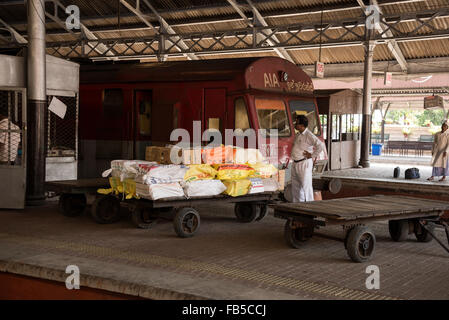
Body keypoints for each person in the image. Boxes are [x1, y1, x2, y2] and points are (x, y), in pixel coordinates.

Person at [291, 115, 325, 202]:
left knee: (306, 186)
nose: (295, 125)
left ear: (302, 125)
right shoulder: (298, 134)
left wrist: (312, 155)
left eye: (297, 123)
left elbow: (320, 146)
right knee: (296, 187)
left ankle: (310, 206)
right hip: (295, 163)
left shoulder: (309, 135)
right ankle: (298, 205)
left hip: (304, 163)